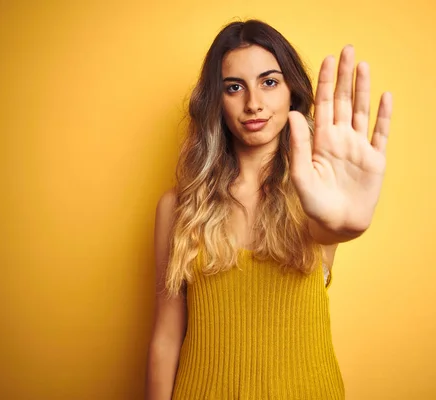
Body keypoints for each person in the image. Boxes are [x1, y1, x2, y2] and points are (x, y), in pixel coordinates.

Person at [146, 19, 393, 400]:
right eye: (234, 87)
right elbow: (165, 336)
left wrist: (348, 224)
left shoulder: (316, 193)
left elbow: (333, 229)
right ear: (217, 100)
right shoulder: (179, 206)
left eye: (269, 82)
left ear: (291, 91)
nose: (253, 103)